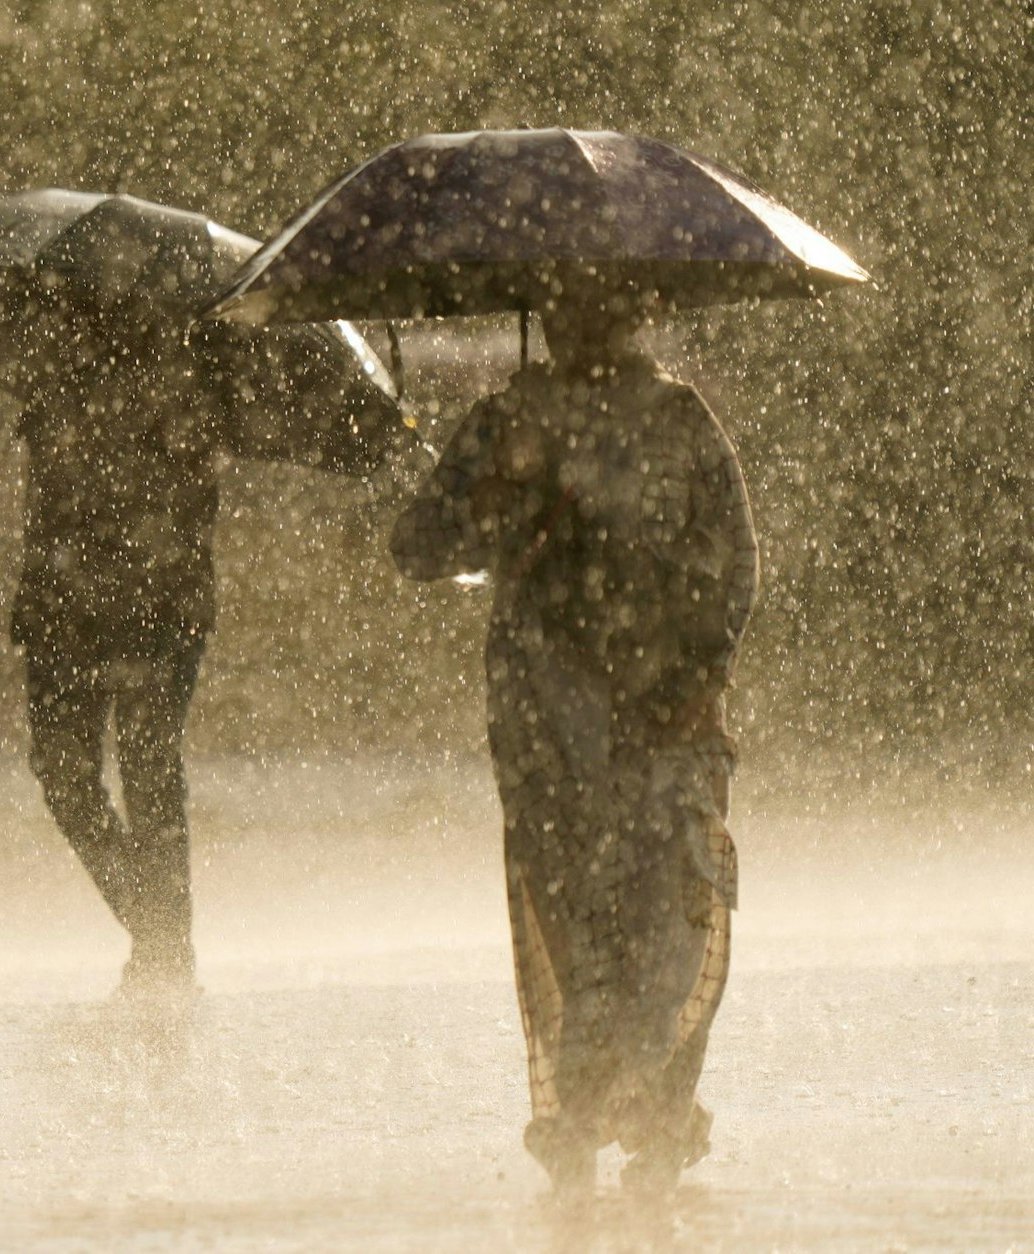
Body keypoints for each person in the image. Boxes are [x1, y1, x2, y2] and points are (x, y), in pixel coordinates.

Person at [390, 284, 758, 1196]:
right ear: (542, 310)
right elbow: (418, 545)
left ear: (639, 305)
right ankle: (591, 1119)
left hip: (665, 715)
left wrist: (699, 672)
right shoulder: (506, 420)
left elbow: (737, 564)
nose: (583, 320)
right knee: (579, 927)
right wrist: (496, 493)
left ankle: (648, 1114)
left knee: (672, 915)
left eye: (603, 301)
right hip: (545, 718)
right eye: (564, 300)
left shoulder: (682, 422)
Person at [14, 332, 222, 994]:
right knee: (71, 775)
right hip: (65, 609)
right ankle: (160, 934)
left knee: (147, 771)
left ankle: (163, 945)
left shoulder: (185, 384)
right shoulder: (51, 374)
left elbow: (193, 511)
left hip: (152, 611)